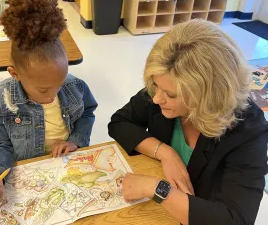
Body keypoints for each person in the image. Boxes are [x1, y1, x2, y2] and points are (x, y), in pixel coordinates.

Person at [108, 20, 268, 225]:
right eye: (156, 86)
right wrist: (165, 152)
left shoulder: (248, 130)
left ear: (208, 96)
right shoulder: (163, 87)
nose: (157, 99)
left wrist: (156, 189)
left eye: (170, 94)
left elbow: (236, 219)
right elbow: (119, 122)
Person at [0, 0, 98, 205]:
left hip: (66, 166)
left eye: (59, 84)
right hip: (27, 173)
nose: (53, 96)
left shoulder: (75, 87)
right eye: (43, 90)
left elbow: (87, 113)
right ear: (15, 74)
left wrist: (75, 141)